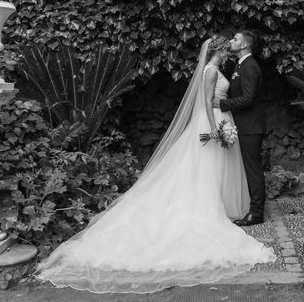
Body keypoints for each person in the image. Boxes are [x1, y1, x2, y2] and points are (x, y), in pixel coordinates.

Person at [35, 35, 276, 294]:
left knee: (217, 167)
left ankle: (227, 205)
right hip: (212, 121)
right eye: (227, 42)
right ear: (218, 49)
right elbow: (207, 101)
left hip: (223, 118)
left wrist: (222, 113)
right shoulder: (211, 70)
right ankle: (207, 206)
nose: (231, 43)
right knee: (205, 167)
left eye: (236, 39)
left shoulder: (227, 68)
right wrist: (215, 125)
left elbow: (233, 96)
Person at [214, 31, 266, 226]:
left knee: (253, 170)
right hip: (243, 125)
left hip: (250, 126)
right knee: (248, 169)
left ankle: (257, 214)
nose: (231, 41)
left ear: (244, 45)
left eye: (235, 39)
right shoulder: (240, 64)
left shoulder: (250, 66)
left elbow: (248, 98)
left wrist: (222, 104)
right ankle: (251, 208)